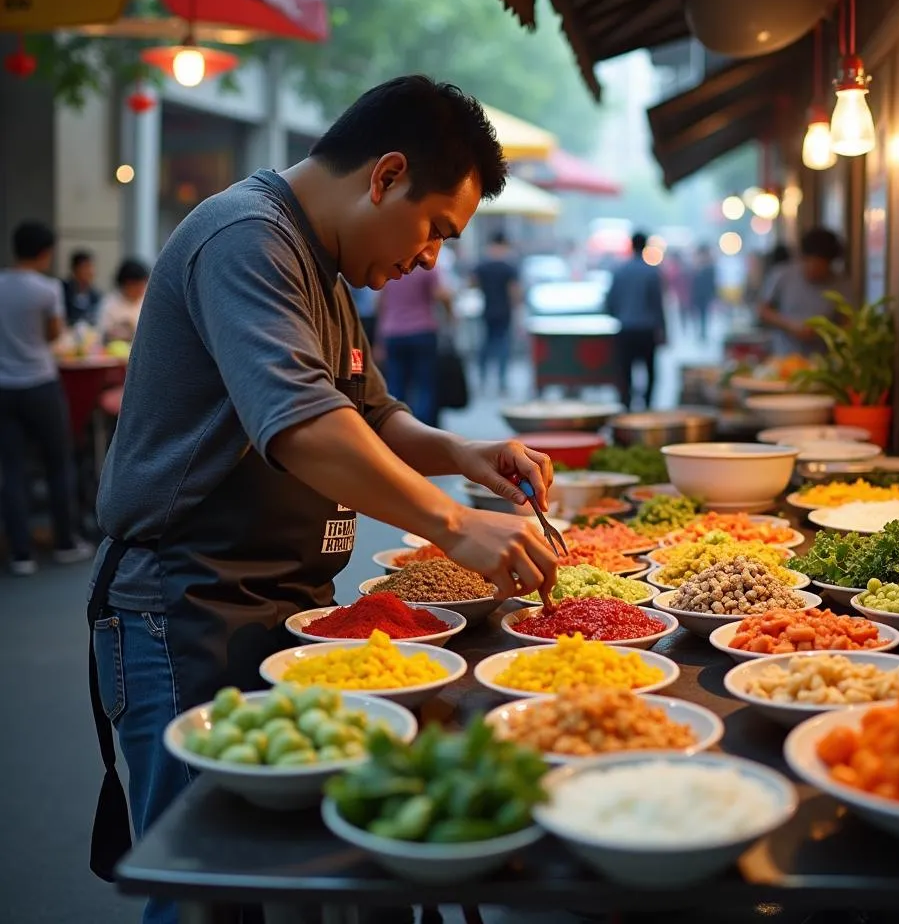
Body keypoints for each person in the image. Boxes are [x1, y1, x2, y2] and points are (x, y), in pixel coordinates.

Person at [87, 76, 558, 924]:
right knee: (209, 878)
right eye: (434, 231)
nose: (429, 261)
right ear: (384, 176)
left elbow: (370, 412)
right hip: (181, 604)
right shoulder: (246, 238)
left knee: (284, 868)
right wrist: (453, 525)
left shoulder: (328, 270)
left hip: (284, 606)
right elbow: (304, 425)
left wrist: (466, 455)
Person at [0, 222, 93, 575]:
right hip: (39, 382)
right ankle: (65, 542)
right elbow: (54, 335)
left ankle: (20, 553)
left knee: (12, 469)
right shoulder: (48, 289)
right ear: (45, 252)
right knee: (58, 463)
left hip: (4, 387)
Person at [376, 267, 451, 426]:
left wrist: (379, 339)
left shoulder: (390, 265)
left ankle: (396, 426)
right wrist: (450, 316)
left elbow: (380, 304)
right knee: (425, 385)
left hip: (393, 332)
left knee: (395, 384)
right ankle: (423, 430)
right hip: (422, 330)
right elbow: (441, 295)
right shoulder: (427, 268)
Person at [758, 226, 847, 356]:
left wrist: (825, 331)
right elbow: (763, 311)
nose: (816, 271)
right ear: (803, 258)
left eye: (823, 267)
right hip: (783, 357)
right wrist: (791, 326)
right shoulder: (783, 275)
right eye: (813, 264)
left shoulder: (841, 284)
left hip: (823, 361)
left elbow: (847, 322)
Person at [604, 231, 666, 411]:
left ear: (631, 245)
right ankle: (647, 405)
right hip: (647, 331)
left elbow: (610, 302)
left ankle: (626, 405)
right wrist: (663, 330)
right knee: (651, 372)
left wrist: (620, 315)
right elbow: (658, 305)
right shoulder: (652, 272)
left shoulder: (620, 271)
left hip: (626, 329)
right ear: (646, 245)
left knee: (625, 372)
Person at [472, 230, 519, 394]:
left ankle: (483, 378)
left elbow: (472, 284)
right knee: (503, 345)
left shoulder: (482, 266)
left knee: (485, 344)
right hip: (504, 311)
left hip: (487, 309)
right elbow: (514, 292)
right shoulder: (508, 268)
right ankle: (501, 381)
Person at [97, 258, 150, 344]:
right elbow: (102, 334)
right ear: (125, 284)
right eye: (135, 286)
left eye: (142, 285)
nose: (140, 290)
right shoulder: (109, 304)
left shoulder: (147, 303)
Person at [63, 249, 102, 327]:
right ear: (75, 269)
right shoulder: (63, 290)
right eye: (85, 267)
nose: (89, 271)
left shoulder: (95, 296)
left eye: (91, 267)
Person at [691, 245, 717, 342]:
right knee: (699, 315)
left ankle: (703, 333)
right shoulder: (697, 266)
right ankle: (700, 332)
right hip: (698, 295)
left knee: (704, 315)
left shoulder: (709, 267)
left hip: (705, 295)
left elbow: (711, 283)